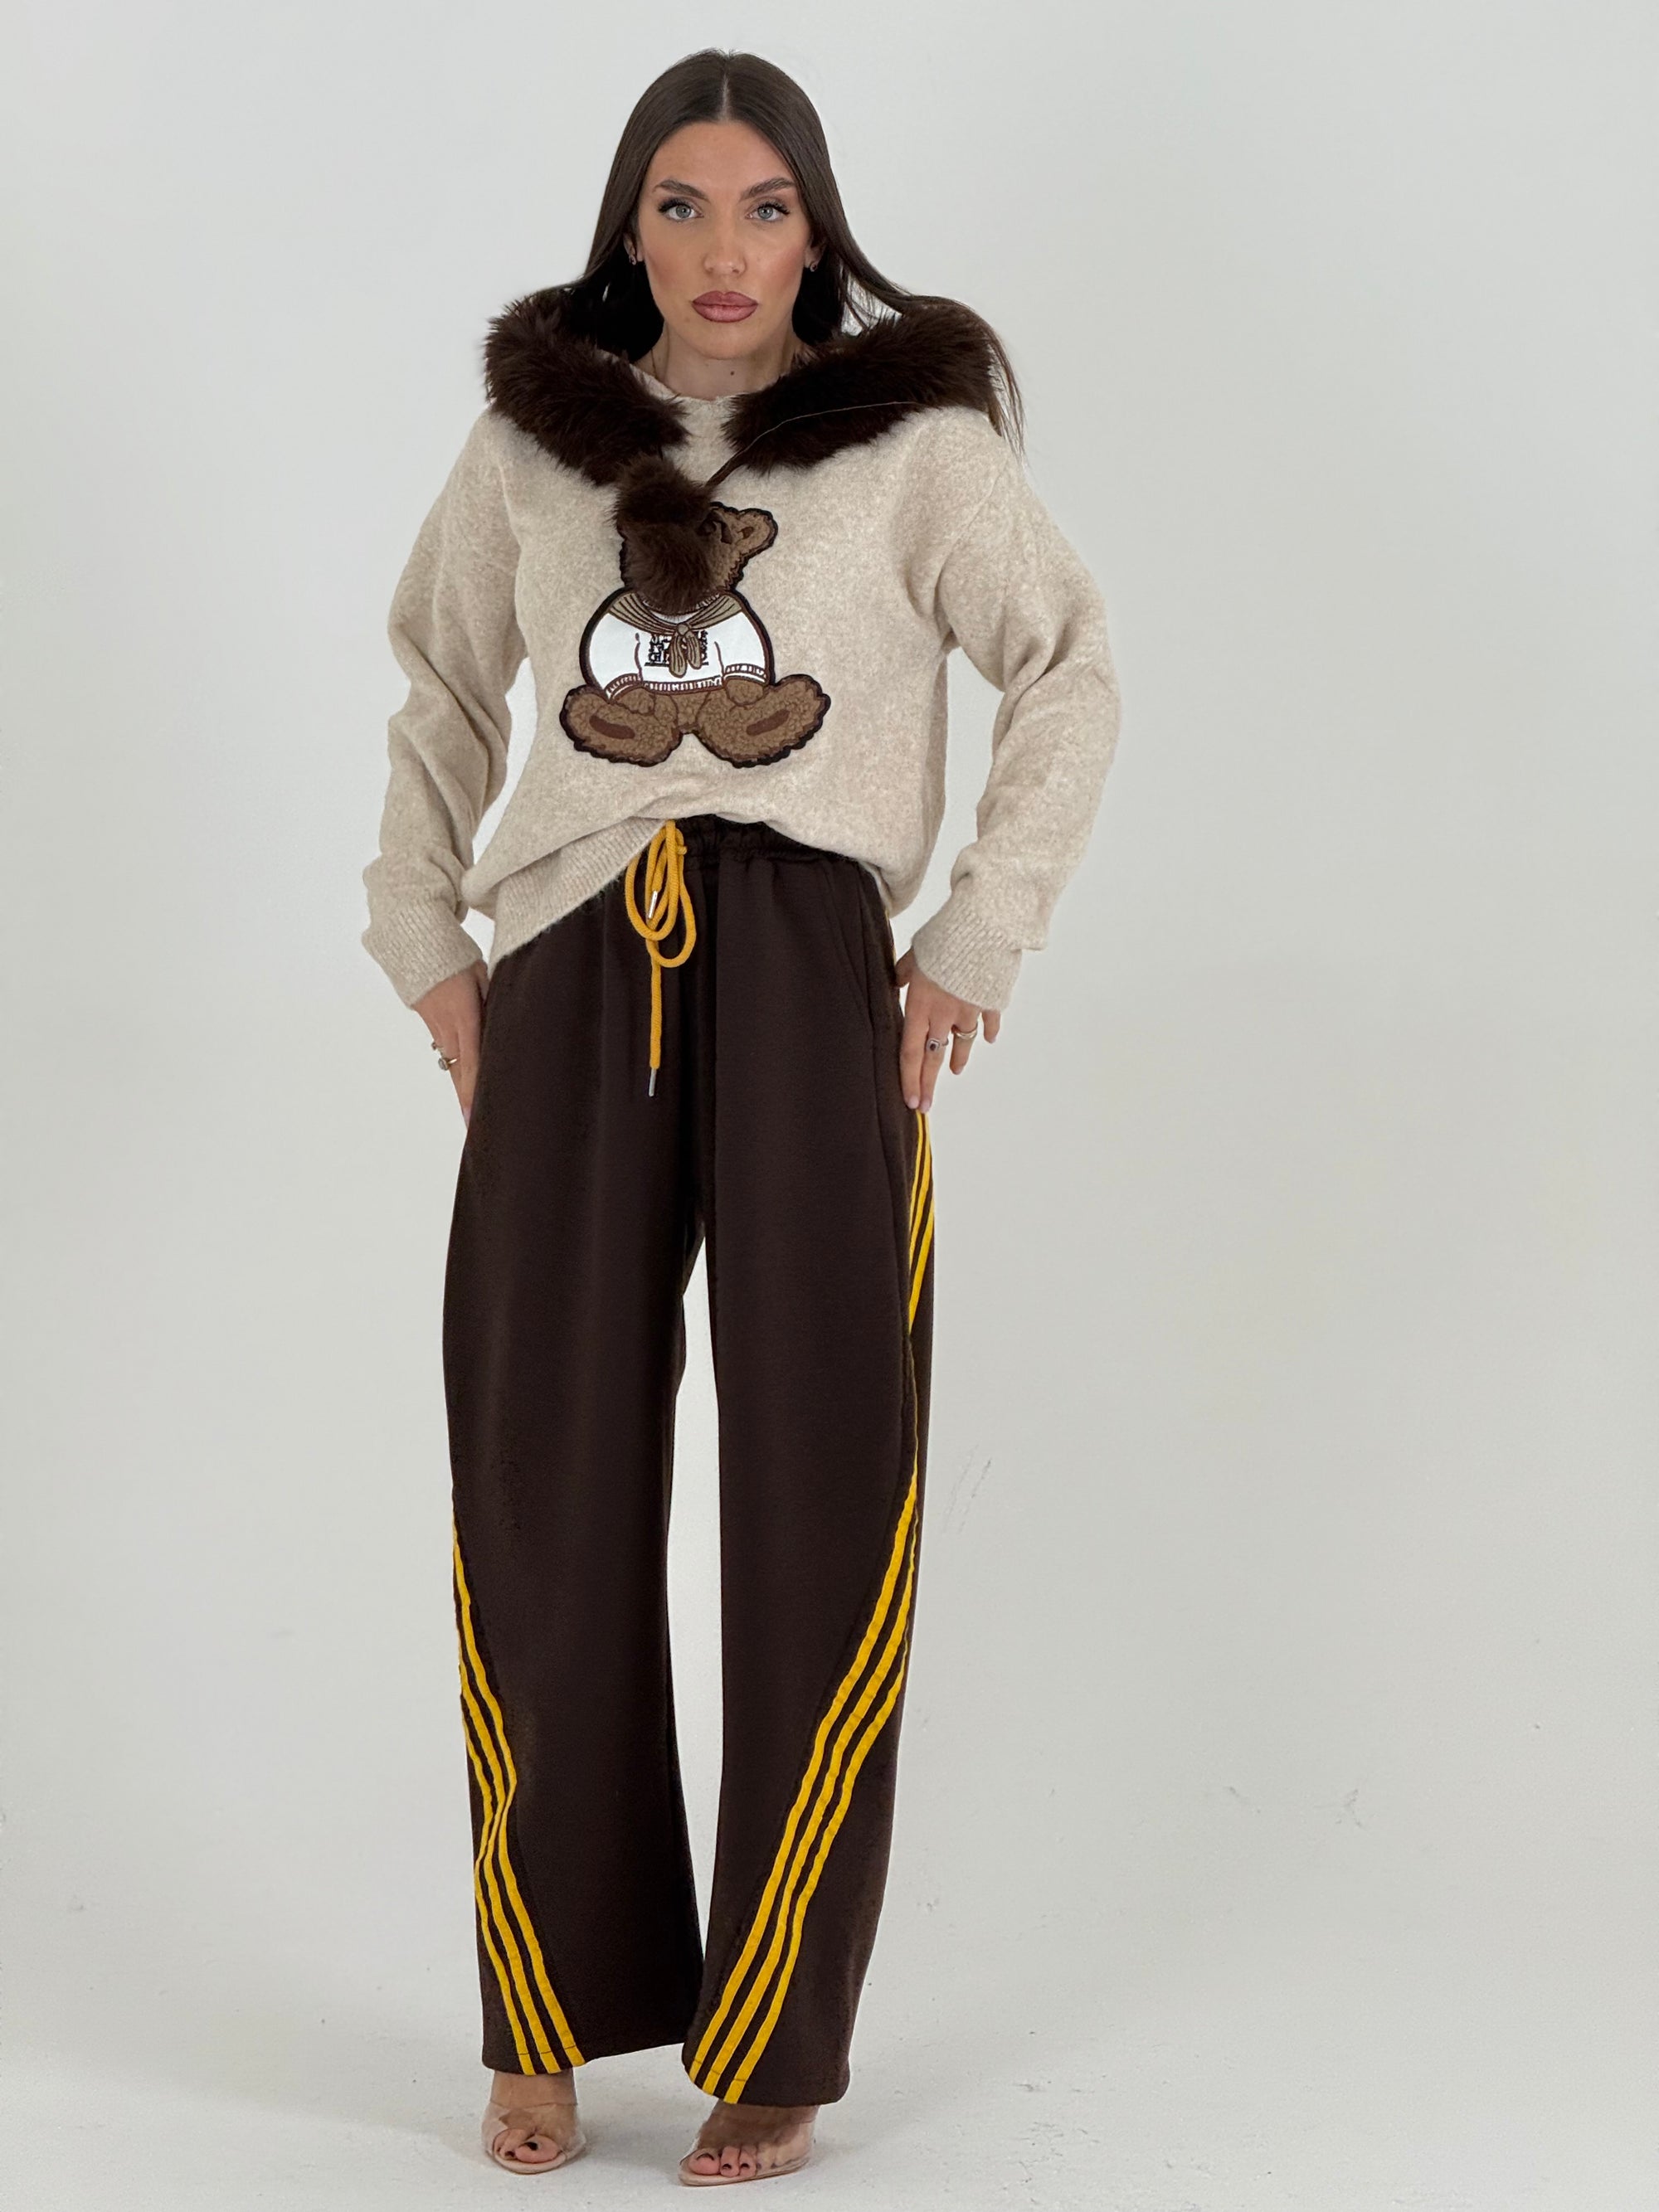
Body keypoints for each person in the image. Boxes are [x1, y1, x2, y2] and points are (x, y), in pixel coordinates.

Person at [360, 46, 1122, 2188]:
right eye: (682, 206)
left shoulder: (917, 447)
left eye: (765, 206)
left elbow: (1069, 664)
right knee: (543, 1486)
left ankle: (777, 2032)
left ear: (817, 227)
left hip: (806, 973)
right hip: (570, 963)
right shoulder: (533, 448)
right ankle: (542, 2010)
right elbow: (442, 685)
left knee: (821, 1486)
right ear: (631, 226)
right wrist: (428, 940)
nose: (724, 250)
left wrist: (978, 931)